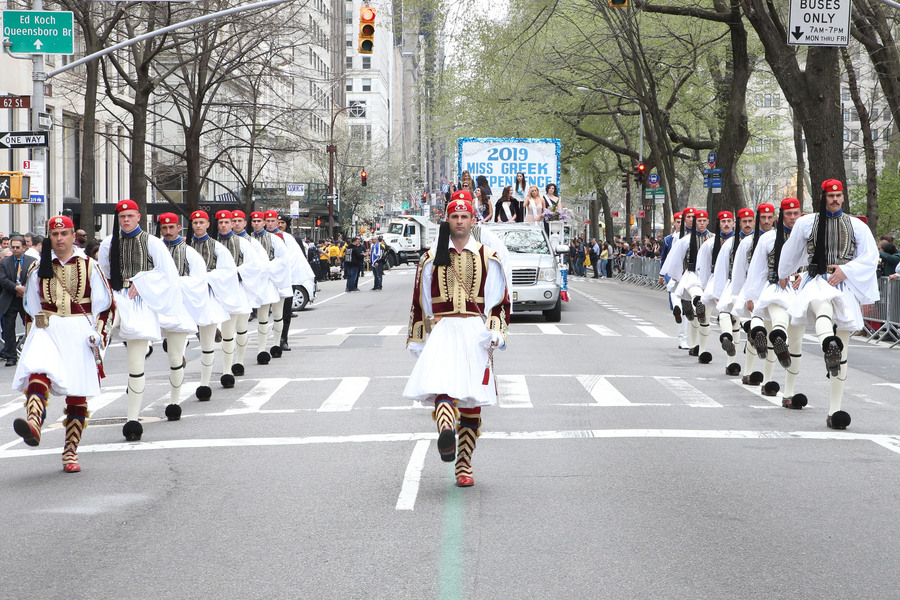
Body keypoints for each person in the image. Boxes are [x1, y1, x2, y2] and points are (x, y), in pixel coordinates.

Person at [403, 190, 510, 487]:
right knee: (442, 388)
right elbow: (420, 301)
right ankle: (446, 431)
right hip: (443, 330)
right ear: (447, 220)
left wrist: (497, 331)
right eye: (454, 216)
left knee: (472, 402)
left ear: (473, 220)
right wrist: (420, 339)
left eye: (464, 216)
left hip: (475, 333)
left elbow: (498, 300)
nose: (459, 221)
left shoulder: (488, 257)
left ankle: (464, 464)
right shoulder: (430, 259)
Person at [12, 216, 115, 472]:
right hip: (48, 327)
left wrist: (99, 336)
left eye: (64, 233)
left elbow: (106, 305)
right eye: (54, 234)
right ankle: (34, 422)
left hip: (79, 329)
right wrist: (32, 333)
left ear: (72, 236)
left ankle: (70, 452)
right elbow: (30, 307)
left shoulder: (90, 265)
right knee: (37, 370)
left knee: (77, 394)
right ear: (49, 237)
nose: (59, 238)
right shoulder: (38, 267)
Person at [778, 179, 878, 429]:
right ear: (823, 197)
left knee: (843, 348)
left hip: (843, 283)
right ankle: (827, 343)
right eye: (831, 195)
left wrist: (847, 270)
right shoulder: (805, 222)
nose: (835, 199)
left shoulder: (857, 225)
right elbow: (792, 251)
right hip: (817, 279)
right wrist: (784, 273)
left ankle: (835, 411)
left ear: (843, 197)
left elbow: (870, 257)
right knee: (821, 303)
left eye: (839, 195)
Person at [99, 199, 184, 441]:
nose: (125, 220)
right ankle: (93, 362)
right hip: (116, 299)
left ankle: (132, 420)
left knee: (135, 364)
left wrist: (142, 281)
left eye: (130, 216)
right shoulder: (108, 243)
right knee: (98, 330)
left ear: (138, 217)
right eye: (122, 216)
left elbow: (168, 273)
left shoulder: (153, 242)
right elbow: (103, 274)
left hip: (140, 303)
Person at [156, 212, 223, 421]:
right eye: (164, 229)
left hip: (186, 304)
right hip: (161, 305)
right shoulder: (155, 250)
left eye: (171, 228)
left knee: (200, 344)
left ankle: (200, 386)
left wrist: (175, 283)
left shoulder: (189, 253)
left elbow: (199, 281)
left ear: (179, 228)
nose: (168, 232)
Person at [742, 198, 805, 402]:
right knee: (778, 322)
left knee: (795, 344)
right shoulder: (768, 238)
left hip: (801, 290)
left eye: (796, 213)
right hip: (776, 289)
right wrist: (751, 296)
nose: (793, 217)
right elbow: (757, 268)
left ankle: (789, 393)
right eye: (789, 214)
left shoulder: (808, 235)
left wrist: (804, 276)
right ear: (782, 216)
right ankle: (769, 380)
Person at [189, 210, 250, 400]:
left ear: (207, 224)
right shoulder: (187, 246)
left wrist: (206, 278)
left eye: (201, 222)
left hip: (221, 293)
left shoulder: (220, 247)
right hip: (195, 294)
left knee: (229, 332)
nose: (198, 226)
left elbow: (229, 271)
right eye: (195, 222)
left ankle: (226, 371)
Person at [730, 203, 776, 385]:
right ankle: (749, 371)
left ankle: (768, 380)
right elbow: (739, 270)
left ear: (774, 218)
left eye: (769, 217)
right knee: (756, 331)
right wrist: (742, 296)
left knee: (772, 332)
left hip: (774, 289)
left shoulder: (783, 239)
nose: (766, 221)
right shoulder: (747, 243)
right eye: (763, 218)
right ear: (758, 220)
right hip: (753, 289)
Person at [710, 208, 752, 376]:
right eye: (744, 221)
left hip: (753, 286)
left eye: (750, 221)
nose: (748, 224)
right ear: (739, 223)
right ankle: (732, 362)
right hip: (733, 283)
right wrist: (718, 291)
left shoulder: (763, 240)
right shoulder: (730, 243)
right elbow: (721, 268)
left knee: (735, 317)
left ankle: (735, 363)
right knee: (729, 313)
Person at [250, 211, 293, 362]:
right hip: (259, 281)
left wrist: (268, 268)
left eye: (259, 221)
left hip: (275, 280)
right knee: (261, 317)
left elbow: (283, 260)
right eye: (254, 221)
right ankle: (261, 349)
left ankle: (276, 344)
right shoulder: (248, 239)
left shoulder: (274, 239)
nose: (257, 224)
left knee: (277, 313)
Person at [0, 236, 35, 366]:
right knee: (8, 329)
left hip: (26, 299)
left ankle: (31, 353)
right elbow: (2, 279)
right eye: (12, 247)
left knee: (30, 327)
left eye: (17, 247)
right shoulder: (5, 262)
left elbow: (35, 279)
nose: (15, 250)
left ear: (24, 247)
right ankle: (11, 356)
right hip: (10, 298)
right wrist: (16, 288)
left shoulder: (32, 261)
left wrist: (25, 290)